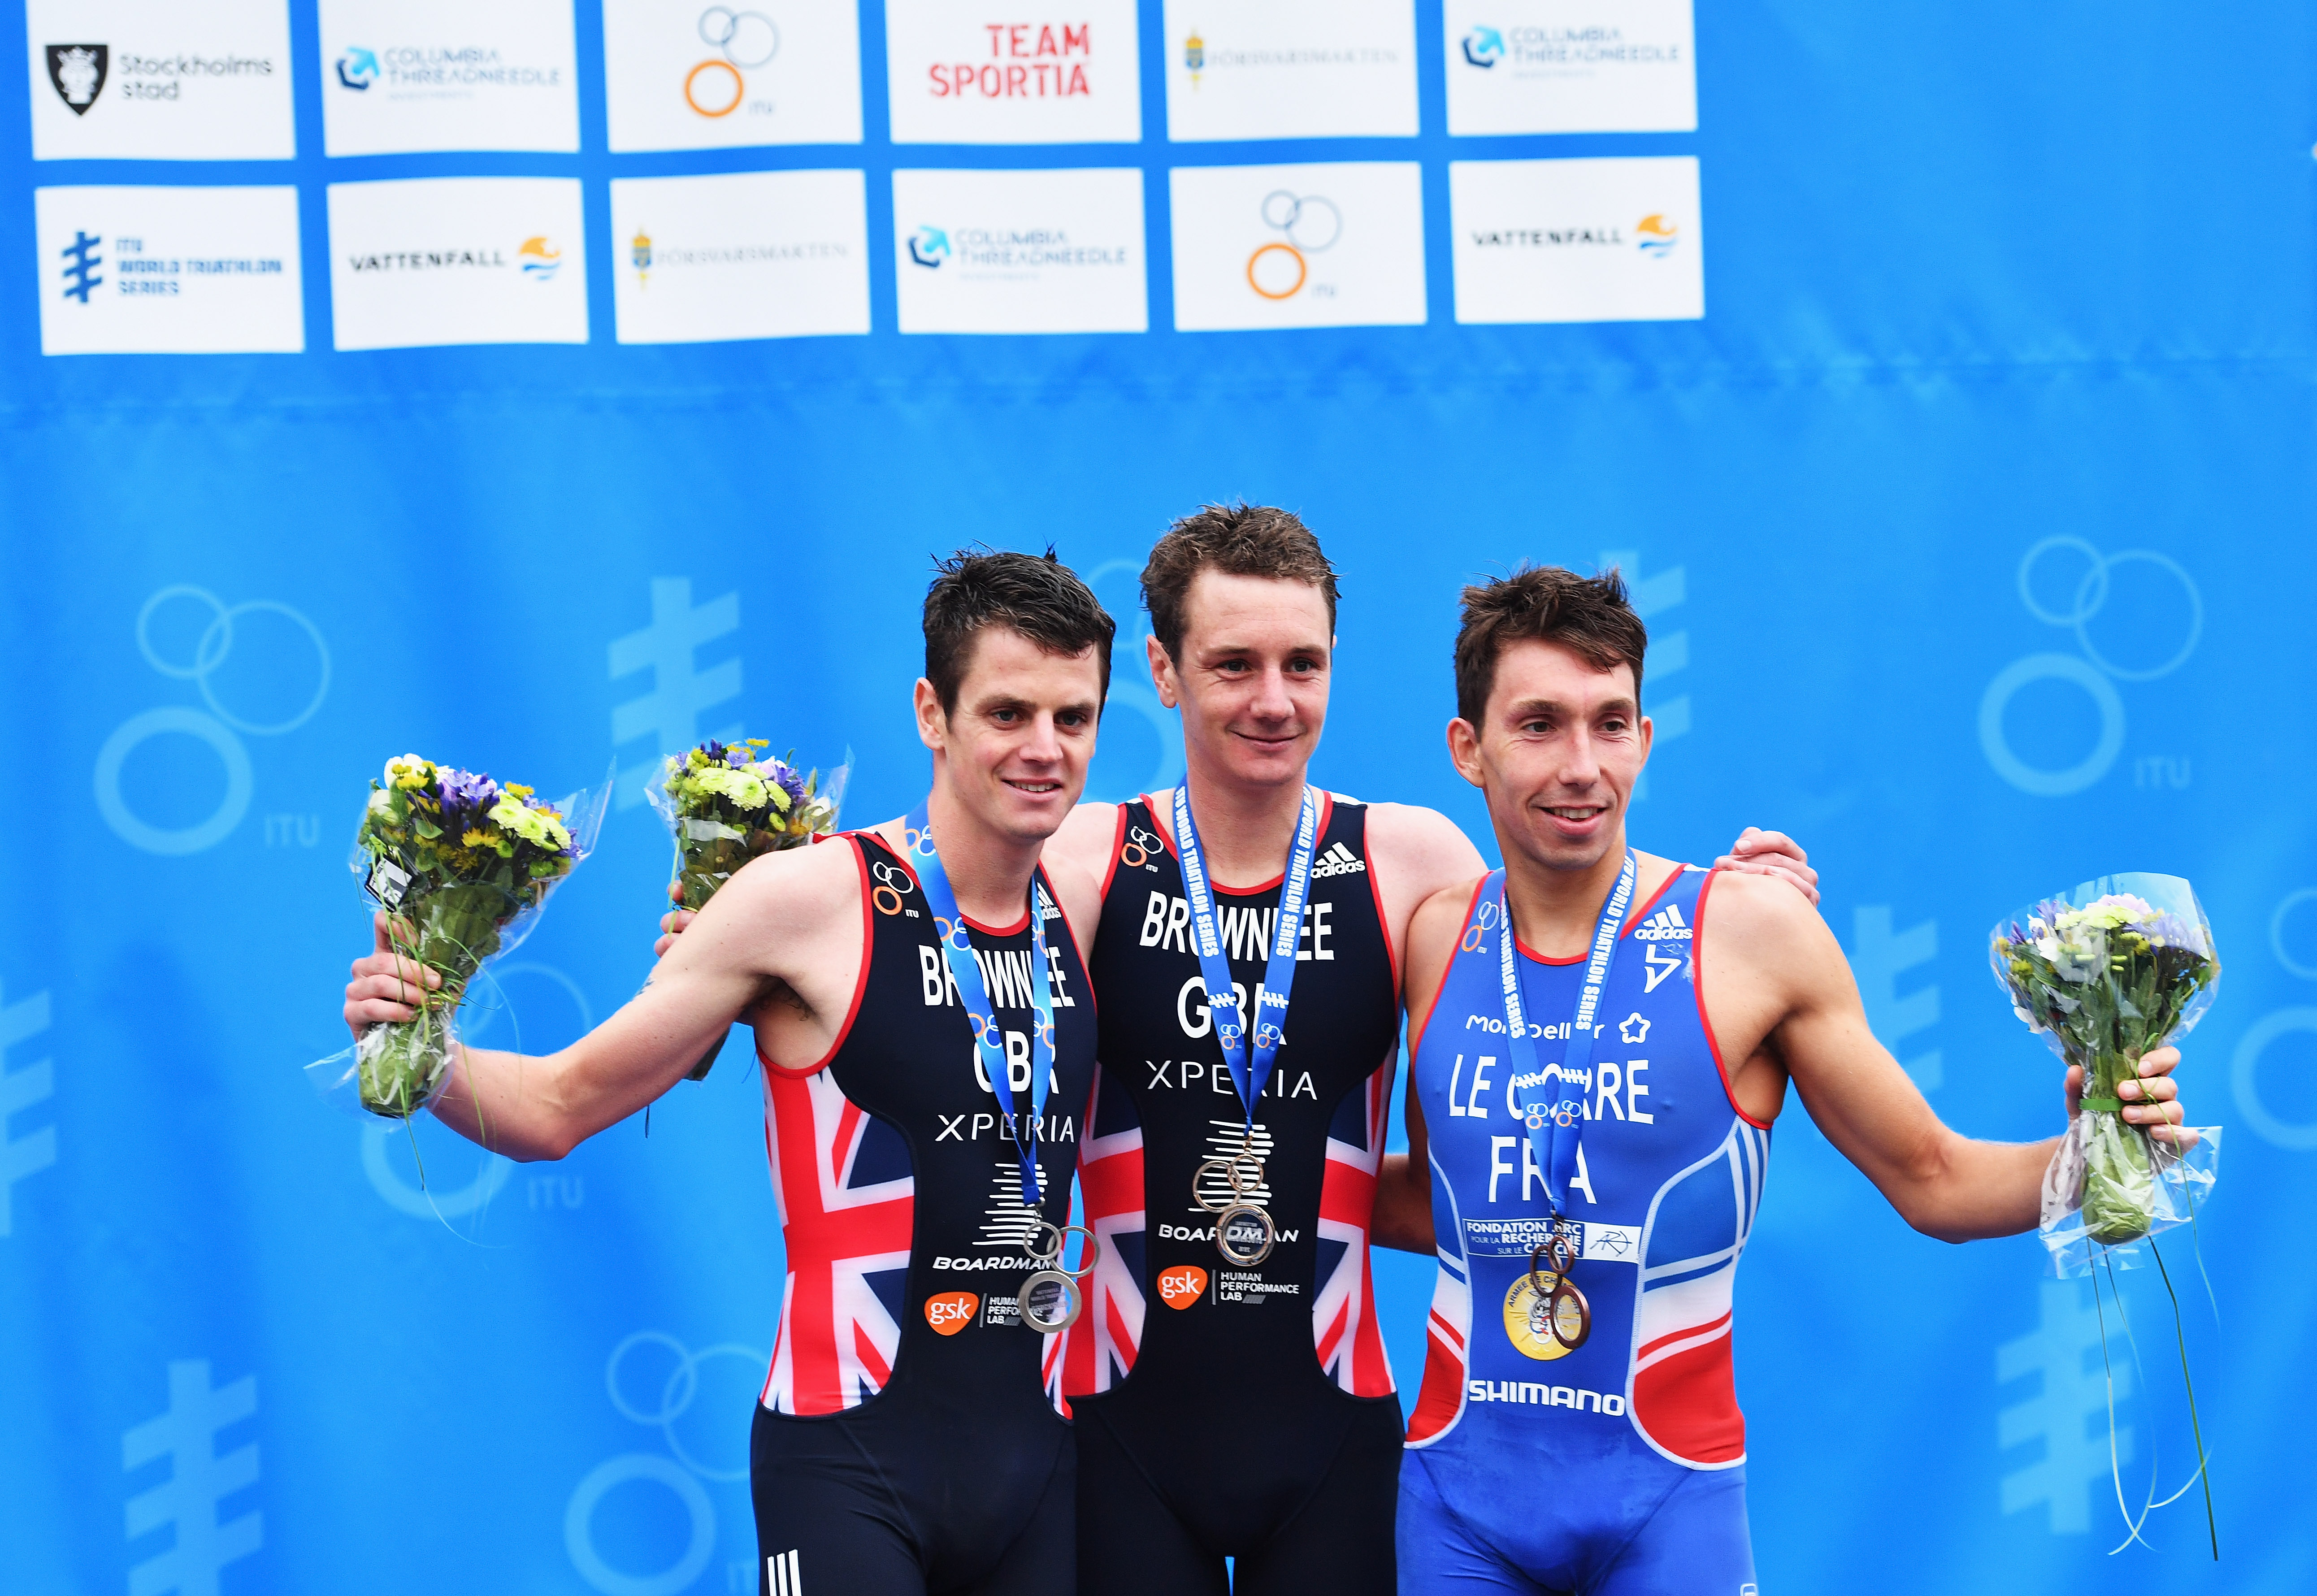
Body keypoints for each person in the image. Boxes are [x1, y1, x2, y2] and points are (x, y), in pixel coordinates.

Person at [1023, 507, 1818, 1596]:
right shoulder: (1081, 855)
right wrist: (736, 922)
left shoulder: (1410, 866)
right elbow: (903, 942)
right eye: (1233, 664)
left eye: (1302, 663)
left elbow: (1574, 943)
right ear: (1160, 671)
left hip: (1332, 1438)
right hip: (1122, 1425)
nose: (1273, 698)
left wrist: (1752, 908)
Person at [1377, 565, 2196, 1596]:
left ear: (1645, 736)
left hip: (1667, 1509)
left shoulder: (1752, 933)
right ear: (1469, 749)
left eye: (1610, 722)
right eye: (1538, 724)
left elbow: (1934, 1179)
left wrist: (2092, 1151)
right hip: (1459, 1506)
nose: (1581, 765)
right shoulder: (1434, 935)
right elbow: (1432, 1199)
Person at [343, 551, 1117, 1596]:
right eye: (1008, 713)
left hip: (1038, 1468)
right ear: (932, 713)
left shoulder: (1087, 895)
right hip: (850, 1469)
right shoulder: (809, 900)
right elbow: (559, 1106)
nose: (1043, 750)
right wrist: (422, 1045)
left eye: (1073, 719)